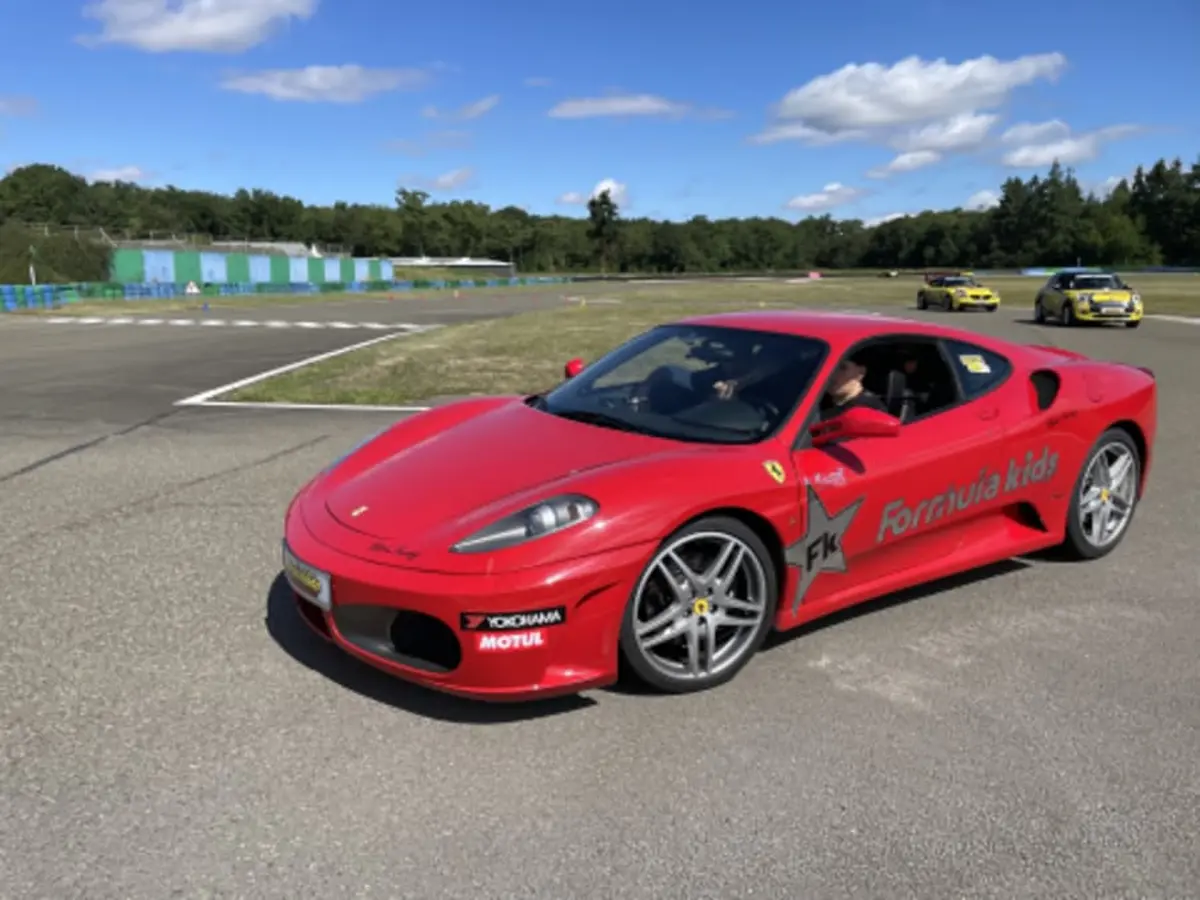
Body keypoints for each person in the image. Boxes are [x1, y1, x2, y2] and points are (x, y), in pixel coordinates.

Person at [818, 355, 886, 421]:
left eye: (843, 368)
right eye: (830, 367)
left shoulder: (869, 411)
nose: (833, 374)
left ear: (861, 372)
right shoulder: (819, 402)